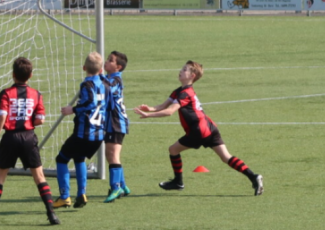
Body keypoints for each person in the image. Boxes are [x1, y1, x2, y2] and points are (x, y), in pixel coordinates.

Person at [133, 61, 264, 196]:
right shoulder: (179, 91)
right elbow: (162, 106)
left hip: (199, 131)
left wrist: (148, 115)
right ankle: (253, 177)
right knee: (226, 157)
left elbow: (170, 111)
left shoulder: (184, 93)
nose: (181, 71)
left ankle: (178, 182)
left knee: (173, 149)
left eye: (185, 70)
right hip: (210, 127)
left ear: (192, 76)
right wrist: (150, 108)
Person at [0, 57, 60, 226]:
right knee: (39, 177)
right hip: (28, 137)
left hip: (10, 138)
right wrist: (27, 120)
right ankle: (52, 214)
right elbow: (40, 120)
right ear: (31, 75)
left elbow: (2, 116)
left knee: (0, 177)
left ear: (13, 74)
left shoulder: (6, 93)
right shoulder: (36, 94)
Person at [54, 52, 107, 209]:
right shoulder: (103, 83)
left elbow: (90, 102)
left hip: (84, 133)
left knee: (61, 159)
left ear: (84, 68)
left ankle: (64, 196)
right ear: (101, 70)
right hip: (99, 134)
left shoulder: (87, 85)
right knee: (79, 158)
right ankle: (81, 193)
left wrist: (73, 109)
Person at [101, 51, 130, 203]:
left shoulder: (115, 80)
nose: (106, 62)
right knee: (111, 155)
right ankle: (123, 186)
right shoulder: (110, 78)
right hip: (112, 122)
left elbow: (108, 89)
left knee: (112, 155)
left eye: (110, 60)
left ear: (118, 67)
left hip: (116, 122)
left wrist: (96, 75)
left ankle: (115, 187)